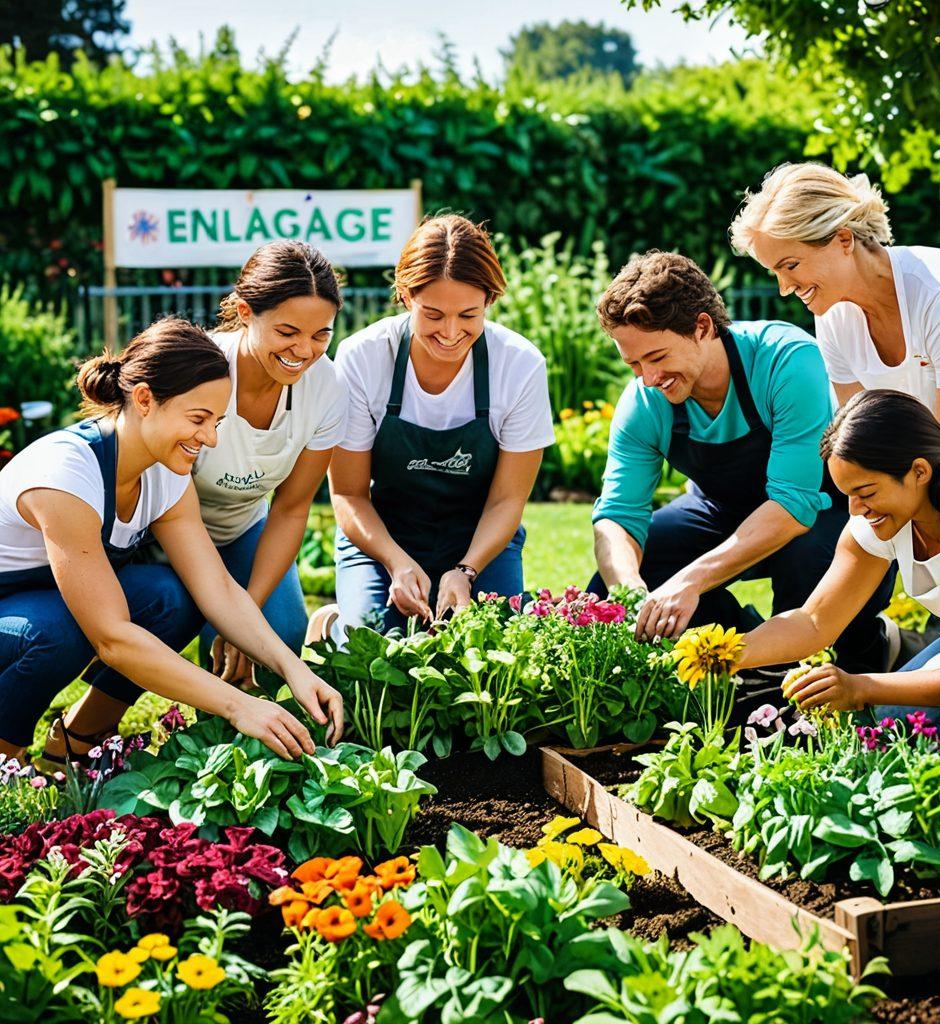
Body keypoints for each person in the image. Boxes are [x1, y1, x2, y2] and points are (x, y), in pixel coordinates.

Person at [0, 319, 343, 763]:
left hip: (45, 597)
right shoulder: (67, 476)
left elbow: (216, 588)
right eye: (198, 419)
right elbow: (112, 638)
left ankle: (77, 742)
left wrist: (293, 669)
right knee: (59, 631)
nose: (211, 438)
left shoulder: (164, 474)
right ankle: (7, 758)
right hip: (17, 609)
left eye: (218, 421)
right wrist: (240, 706)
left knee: (175, 598)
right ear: (144, 399)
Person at [591, 250, 895, 671]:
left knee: (805, 556)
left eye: (657, 358)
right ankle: (736, 654)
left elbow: (793, 505)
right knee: (637, 566)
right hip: (721, 510)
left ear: (702, 327)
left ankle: (853, 660)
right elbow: (618, 516)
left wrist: (689, 580)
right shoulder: (645, 401)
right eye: (634, 364)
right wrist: (631, 590)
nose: (648, 378)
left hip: (820, 511)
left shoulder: (787, 361)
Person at [309, 214, 554, 640]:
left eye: (468, 314)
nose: (451, 332)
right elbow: (348, 494)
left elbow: (507, 502)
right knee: (372, 653)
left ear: (489, 302)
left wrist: (466, 570)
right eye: (434, 314)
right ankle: (338, 624)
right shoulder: (363, 358)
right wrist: (396, 563)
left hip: (481, 539)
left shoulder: (519, 365)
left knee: (494, 652)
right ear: (406, 296)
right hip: (383, 537)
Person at [740, 389, 940, 732]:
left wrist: (860, 687)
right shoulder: (885, 520)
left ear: (919, 472)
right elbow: (813, 622)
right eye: (848, 495)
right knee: (881, 733)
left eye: (867, 492)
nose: (854, 510)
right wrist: (726, 654)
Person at [730, 162, 940, 464]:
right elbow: (864, 445)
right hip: (936, 481)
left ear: (844, 240)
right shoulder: (831, 317)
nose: (784, 288)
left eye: (790, 266)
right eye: (774, 273)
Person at [192, 241, 347, 685]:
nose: (304, 350)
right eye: (287, 331)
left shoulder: (327, 388)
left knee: (278, 633)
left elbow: (291, 507)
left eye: (321, 334)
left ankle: (233, 739)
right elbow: (164, 498)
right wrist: (229, 614)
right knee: (187, 617)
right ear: (245, 311)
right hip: (158, 529)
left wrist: (249, 607)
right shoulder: (199, 368)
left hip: (241, 528)